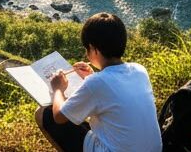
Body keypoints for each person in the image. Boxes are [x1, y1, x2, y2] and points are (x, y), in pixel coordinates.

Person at [34, 12, 162, 152]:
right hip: (154, 149)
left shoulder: (97, 83)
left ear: (94, 49)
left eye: (87, 49)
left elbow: (59, 117)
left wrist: (58, 89)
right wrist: (91, 76)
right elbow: (112, 93)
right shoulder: (139, 70)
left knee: (44, 113)